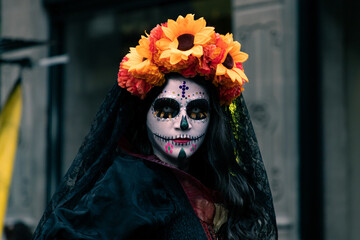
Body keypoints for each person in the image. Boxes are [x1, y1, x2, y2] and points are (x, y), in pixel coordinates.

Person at [32, 14, 277, 239]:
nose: (183, 123)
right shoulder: (132, 180)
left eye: (197, 112)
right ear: (144, 115)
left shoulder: (210, 184)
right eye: (167, 110)